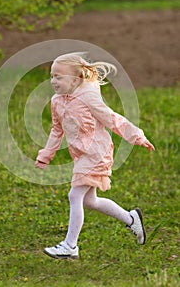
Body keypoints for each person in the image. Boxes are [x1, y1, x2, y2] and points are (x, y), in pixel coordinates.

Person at [35, 52, 155, 259]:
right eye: (52, 76)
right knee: (90, 201)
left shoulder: (88, 96)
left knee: (75, 195)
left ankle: (70, 246)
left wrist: (137, 136)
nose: (53, 81)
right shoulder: (56, 101)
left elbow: (111, 118)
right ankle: (131, 219)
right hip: (81, 155)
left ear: (76, 79)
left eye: (59, 77)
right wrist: (46, 154)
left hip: (96, 152)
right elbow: (57, 130)